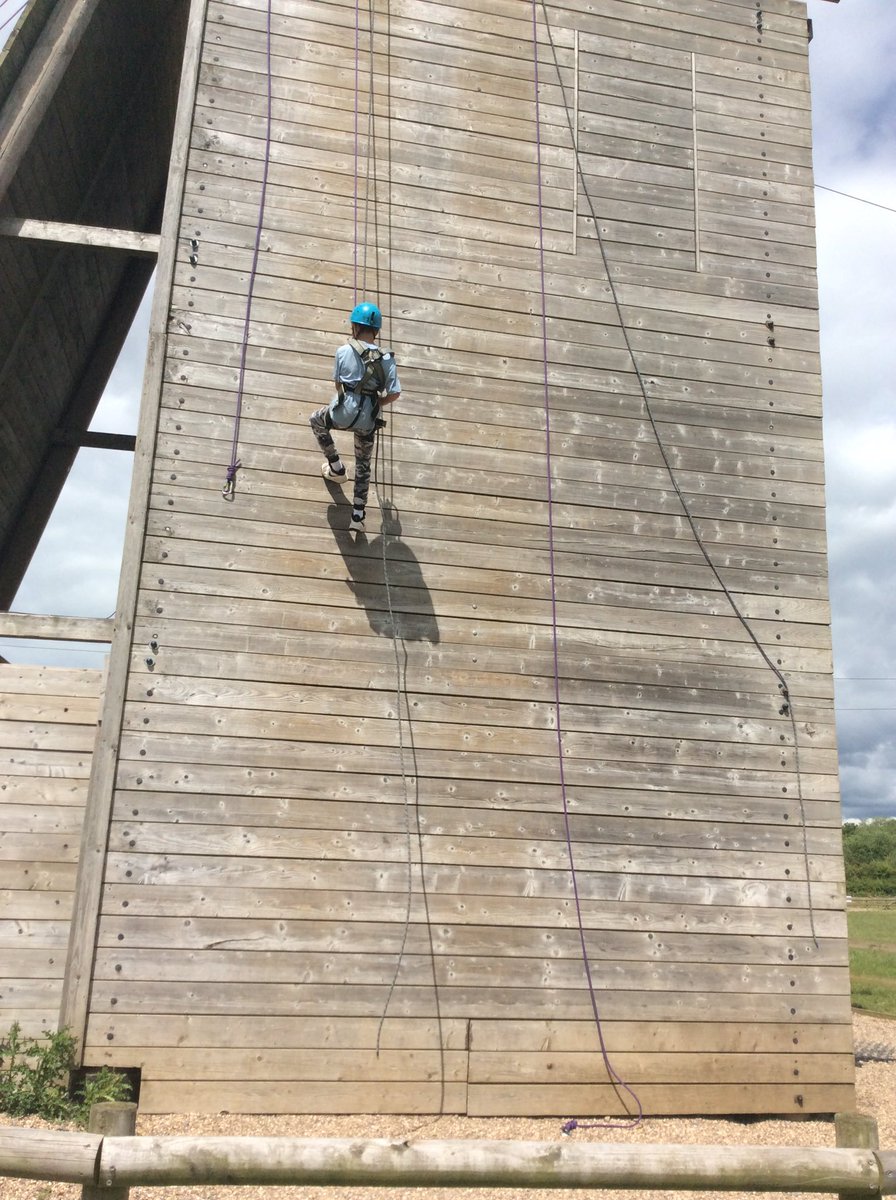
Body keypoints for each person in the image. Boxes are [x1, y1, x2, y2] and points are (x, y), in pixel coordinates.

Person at [309, 302, 401, 531]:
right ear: (376, 330)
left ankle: (337, 467)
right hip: (367, 419)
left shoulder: (342, 351)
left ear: (354, 327)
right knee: (363, 463)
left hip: (342, 413)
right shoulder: (387, 359)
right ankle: (358, 516)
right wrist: (376, 402)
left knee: (316, 420)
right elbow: (395, 392)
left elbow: (338, 383)